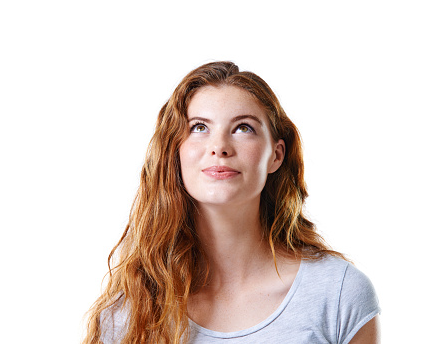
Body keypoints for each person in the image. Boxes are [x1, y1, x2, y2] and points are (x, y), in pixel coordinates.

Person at [83, 61, 380, 343]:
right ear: (175, 151)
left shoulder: (339, 293)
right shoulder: (130, 312)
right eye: (199, 127)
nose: (219, 147)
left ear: (276, 155)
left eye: (243, 128)